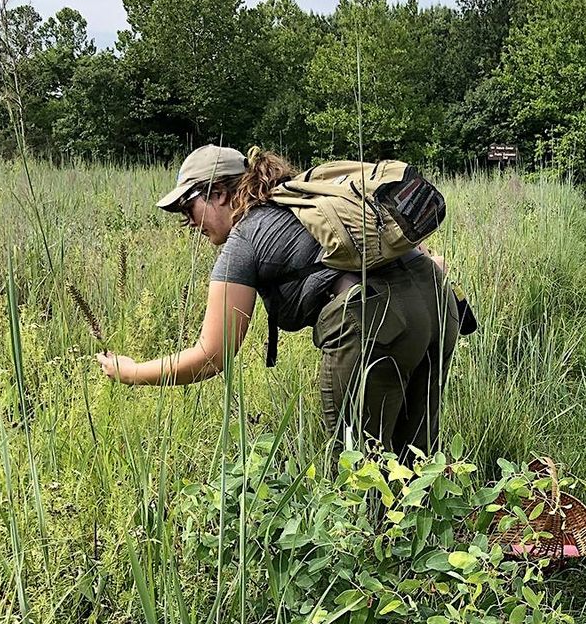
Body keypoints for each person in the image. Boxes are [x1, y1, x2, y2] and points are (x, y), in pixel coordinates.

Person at [96, 145, 461, 460]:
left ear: (219, 193)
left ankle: (371, 538)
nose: (188, 222)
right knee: (418, 452)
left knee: (361, 461)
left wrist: (131, 373)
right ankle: (427, 532)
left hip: (375, 321)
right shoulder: (307, 199)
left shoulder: (245, 238)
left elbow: (212, 355)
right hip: (439, 302)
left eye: (187, 208)